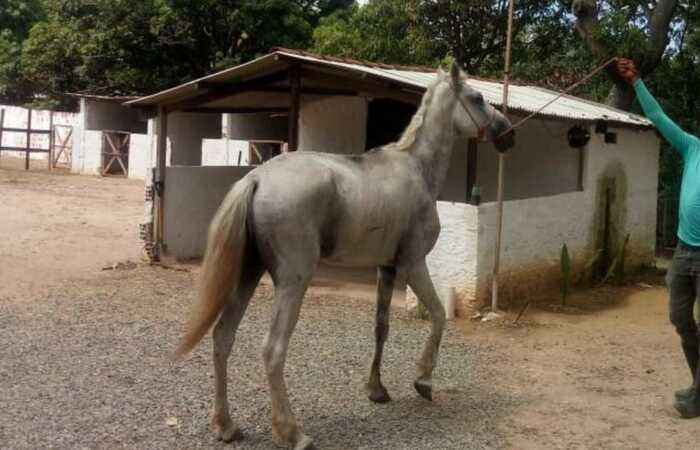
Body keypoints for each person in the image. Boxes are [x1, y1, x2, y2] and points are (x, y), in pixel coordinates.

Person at [616, 58, 700, 419]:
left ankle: (697, 396)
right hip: (683, 252)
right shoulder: (693, 147)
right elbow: (659, 118)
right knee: (680, 318)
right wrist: (637, 83)